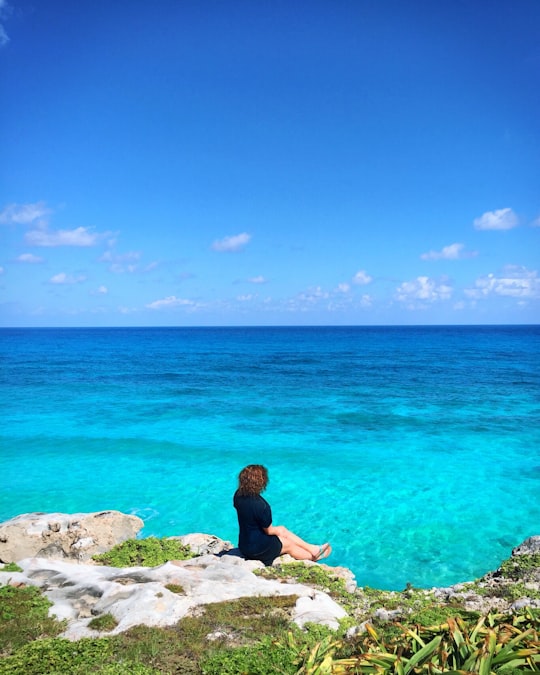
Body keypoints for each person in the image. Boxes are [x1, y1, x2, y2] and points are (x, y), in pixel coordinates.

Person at [233, 464, 331, 566]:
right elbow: (269, 531)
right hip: (258, 550)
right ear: (261, 482)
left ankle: (313, 549)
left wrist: (280, 531)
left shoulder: (238, 495)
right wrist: (278, 531)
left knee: (282, 530)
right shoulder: (262, 505)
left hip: (244, 545)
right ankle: (312, 558)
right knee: (289, 545)